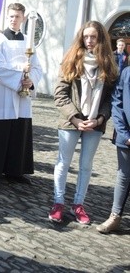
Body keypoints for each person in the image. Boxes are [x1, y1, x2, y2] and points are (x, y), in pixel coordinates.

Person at [48, 21, 118, 224]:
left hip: (95, 123)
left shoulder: (108, 64)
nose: (89, 41)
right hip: (71, 121)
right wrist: (75, 119)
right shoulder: (71, 60)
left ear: (101, 39)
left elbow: (110, 99)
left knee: (86, 165)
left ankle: (78, 204)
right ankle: (58, 202)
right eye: (86, 37)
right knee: (63, 162)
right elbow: (60, 94)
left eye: (93, 37)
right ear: (81, 38)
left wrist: (99, 119)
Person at [0, 2, 42, 185]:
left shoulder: (28, 41)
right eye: (11, 16)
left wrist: (30, 81)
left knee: (19, 131)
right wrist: (20, 73)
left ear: (23, 19)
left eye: (17, 17)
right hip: (1, 93)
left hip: (22, 96)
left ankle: (15, 171)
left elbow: (38, 68)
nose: (14, 20)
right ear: (6, 17)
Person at [97, 63, 130, 233]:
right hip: (127, 136)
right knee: (123, 176)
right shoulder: (126, 73)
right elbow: (117, 102)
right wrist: (124, 133)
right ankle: (115, 216)